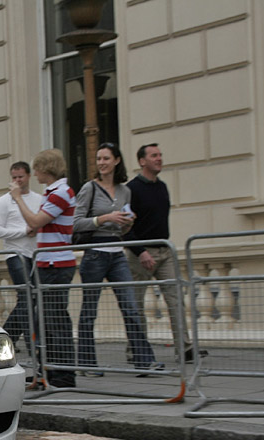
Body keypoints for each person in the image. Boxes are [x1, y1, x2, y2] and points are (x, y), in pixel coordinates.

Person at [73, 142, 163, 376]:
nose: (102, 163)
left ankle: (145, 361)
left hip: (118, 252)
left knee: (131, 308)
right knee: (90, 310)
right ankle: (86, 364)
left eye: (106, 158)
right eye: (99, 159)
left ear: (116, 161)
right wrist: (103, 218)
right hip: (95, 253)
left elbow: (124, 228)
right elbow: (76, 223)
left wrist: (127, 222)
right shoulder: (89, 188)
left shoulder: (125, 191)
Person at [10, 149, 77, 389]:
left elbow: (36, 222)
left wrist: (18, 199)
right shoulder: (53, 193)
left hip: (56, 263)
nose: (34, 173)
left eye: (36, 168)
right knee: (47, 319)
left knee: (55, 319)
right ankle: (50, 371)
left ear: (46, 169)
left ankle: (64, 374)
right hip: (48, 262)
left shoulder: (61, 193)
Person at [125, 143, 197, 362]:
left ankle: (184, 348)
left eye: (160, 155)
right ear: (142, 161)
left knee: (176, 299)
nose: (159, 159)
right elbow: (126, 228)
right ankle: (137, 349)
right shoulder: (131, 189)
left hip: (165, 252)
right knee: (136, 304)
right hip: (140, 254)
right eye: (154, 155)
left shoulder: (162, 187)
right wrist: (141, 251)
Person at [0, 161, 41, 352]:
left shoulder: (38, 199)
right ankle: (33, 345)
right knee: (27, 296)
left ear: (29, 176)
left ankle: (6, 337)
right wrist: (23, 231)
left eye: (21, 177)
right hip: (15, 253)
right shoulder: (4, 201)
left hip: (35, 254)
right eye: (14, 177)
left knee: (32, 298)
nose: (18, 181)